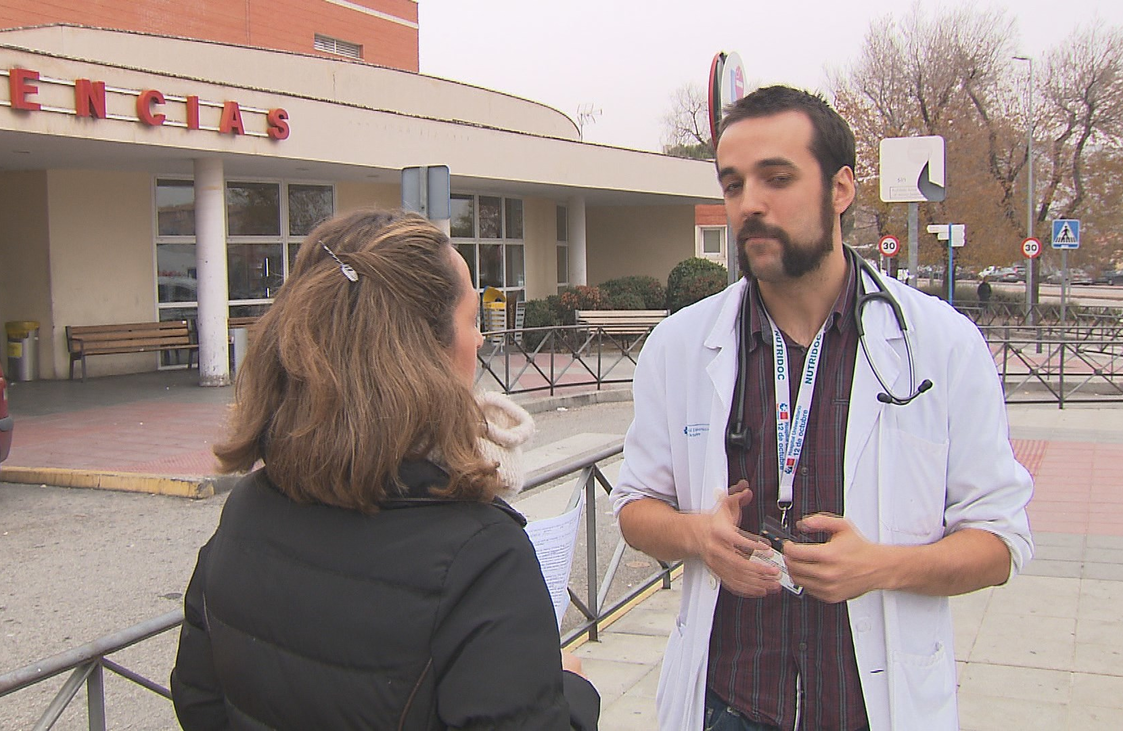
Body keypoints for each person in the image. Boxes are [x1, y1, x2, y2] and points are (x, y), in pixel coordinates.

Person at [611, 85, 1033, 731]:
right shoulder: (680, 346)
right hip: (730, 705)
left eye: (776, 178)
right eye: (732, 184)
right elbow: (634, 507)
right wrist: (698, 536)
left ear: (840, 189)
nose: (749, 203)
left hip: (872, 708)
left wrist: (882, 566)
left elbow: (999, 541)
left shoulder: (940, 344)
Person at [171, 210, 600, 730]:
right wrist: (571, 693)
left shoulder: (246, 510)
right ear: (423, 352)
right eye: (472, 320)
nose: (481, 341)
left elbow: (198, 699)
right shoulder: (481, 559)